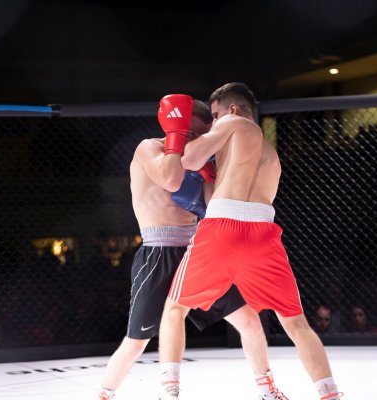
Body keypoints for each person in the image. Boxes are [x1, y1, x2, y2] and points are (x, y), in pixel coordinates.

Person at [157, 83, 343, 400]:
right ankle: (329, 394)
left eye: (215, 115)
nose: (213, 123)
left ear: (231, 109)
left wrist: (177, 137)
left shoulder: (232, 123)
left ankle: (169, 392)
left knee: (175, 308)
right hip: (263, 233)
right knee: (297, 324)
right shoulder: (272, 156)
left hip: (222, 228)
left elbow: (189, 159)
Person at [98, 97, 284, 400]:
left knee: (249, 319)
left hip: (198, 249)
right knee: (136, 341)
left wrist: (210, 172)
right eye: (191, 133)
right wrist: (176, 136)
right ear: (177, 126)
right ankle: (106, 394)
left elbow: (211, 207)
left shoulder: (200, 157)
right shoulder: (149, 148)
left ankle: (268, 390)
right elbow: (171, 180)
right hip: (158, 252)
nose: (195, 141)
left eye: (201, 135)